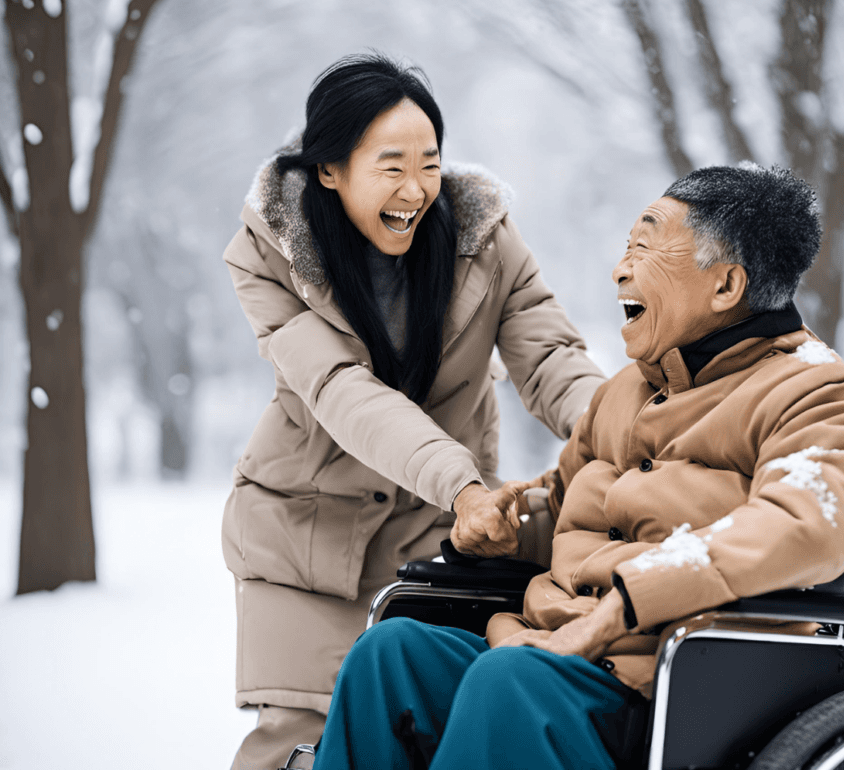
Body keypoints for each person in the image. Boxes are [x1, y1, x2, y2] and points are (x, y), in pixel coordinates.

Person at [308, 163, 844, 770]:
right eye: (625, 247)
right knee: (390, 654)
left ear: (725, 286)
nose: (620, 268)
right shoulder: (623, 393)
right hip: (547, 653)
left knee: (510, 682)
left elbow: (802, 524)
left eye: (645, 246)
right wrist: (507, 525)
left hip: (667, 689)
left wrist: (625, 604)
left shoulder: (818, 393)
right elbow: (563, 505)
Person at [222, 53, 607, 769]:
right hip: (307, 534)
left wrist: (627, 427)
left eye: (429, 163)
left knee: (406, 734)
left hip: (433, 540)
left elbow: (549, 357)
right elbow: (342, 389)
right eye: (390, 165)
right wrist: (462, 483)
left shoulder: (483, 238)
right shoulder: (269, 252)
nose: (415, 189)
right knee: (299, 745)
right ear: (330, 169)